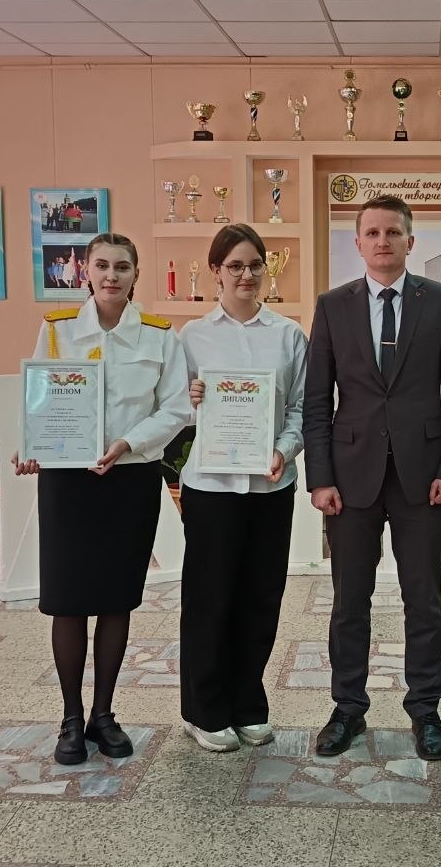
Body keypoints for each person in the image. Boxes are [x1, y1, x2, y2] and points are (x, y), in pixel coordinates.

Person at [303, 194, 441, 762]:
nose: (383, 241)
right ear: (358, 243)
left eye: (393, 232)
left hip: (423, 478)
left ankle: (425, 709)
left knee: (423, 600)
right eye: (372, 232)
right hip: (350, 479)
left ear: (410, 241)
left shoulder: (440, 301)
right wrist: (320, 477)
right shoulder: (333, 306)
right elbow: (317, 399)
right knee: (350, 601)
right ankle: (347, 707)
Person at [14, 232, 191, 766]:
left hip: (129, 480)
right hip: (68, 481)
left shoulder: (160, 336)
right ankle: (71, 719)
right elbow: (42, 398)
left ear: (136, 275)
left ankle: (104, 715)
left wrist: (128, 443)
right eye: (102, 266)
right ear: (86, 272)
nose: (111, 276)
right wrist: (32, 444)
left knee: (117, 599)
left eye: (122, 267)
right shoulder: (57, 329)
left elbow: (176, 408)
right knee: (67, 600)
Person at [176, 224, 307, 752]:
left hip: (270, 485)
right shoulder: (192, 336)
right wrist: (191, 400)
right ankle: (204, 710)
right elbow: (174, 410)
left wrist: (284, 451)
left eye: (255, 265)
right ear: (216, 271)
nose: (246, 274)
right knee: (210, 598)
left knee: (261, 597)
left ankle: (249, 703)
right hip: (211, 487)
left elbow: (301, 408)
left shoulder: (289, 334)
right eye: (235, 266)